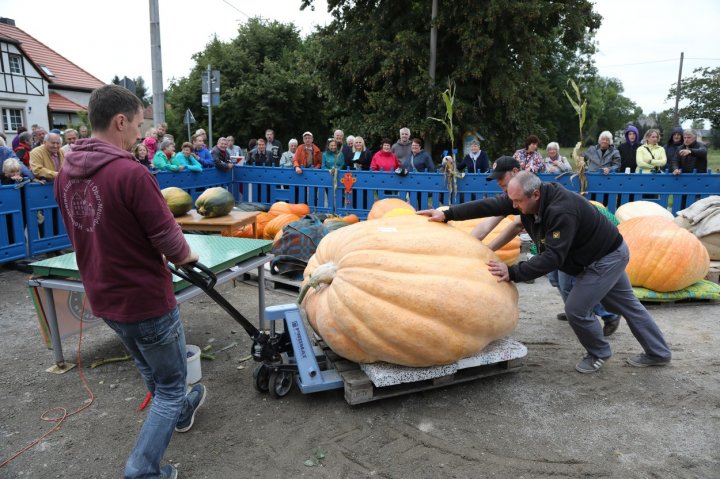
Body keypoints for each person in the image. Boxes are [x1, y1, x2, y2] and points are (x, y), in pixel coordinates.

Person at [54, 85, 205, 479]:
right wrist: (190, 256)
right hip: (145, 299)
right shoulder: (131, 173)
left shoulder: (64, 174)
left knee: (154, 373)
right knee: (170, 385)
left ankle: (183, 411)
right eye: (139, 125)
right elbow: (172, 243)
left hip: (104, 296)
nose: (141, 134)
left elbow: (81, 233)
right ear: (120, 122)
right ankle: (142, 470)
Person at [419, 171, 672, 374]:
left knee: (576, 309)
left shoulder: (561, 211)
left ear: (535, 194)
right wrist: (448, 213)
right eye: (512, 200)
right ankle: (659, 353)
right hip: (597, 253)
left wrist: (513, 272)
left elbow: (553, 257)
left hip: (604, 259)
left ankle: (599, 353)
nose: (514, 206)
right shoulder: (527, 198)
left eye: (517, 202)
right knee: (628, 305)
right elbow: (490, 205)